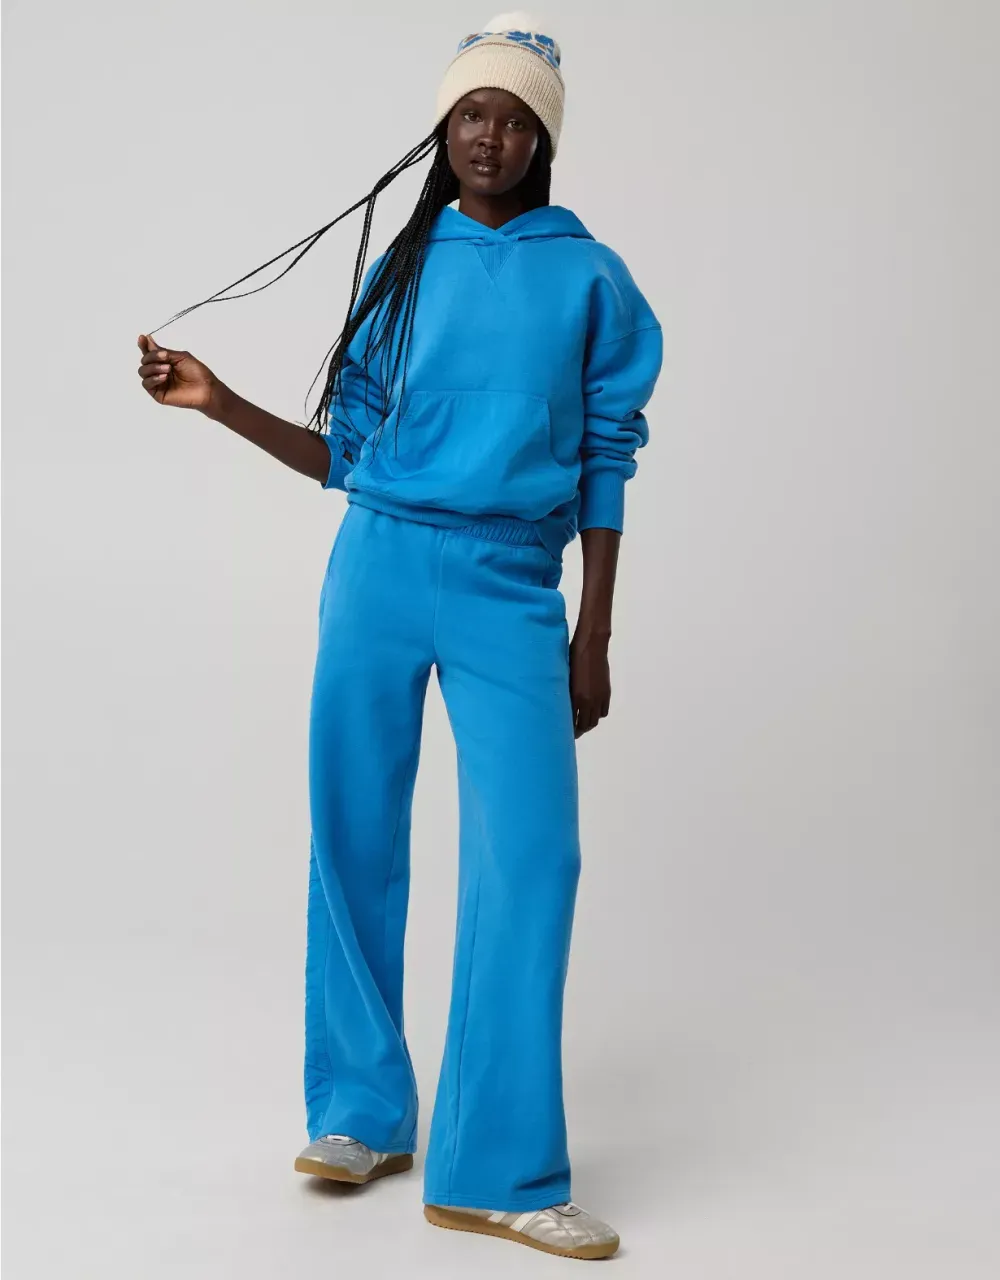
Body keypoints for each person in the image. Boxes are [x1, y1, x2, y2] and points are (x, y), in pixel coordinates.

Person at [136, 11, 662, 1262]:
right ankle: (361, 1111)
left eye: (514, 120)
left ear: (542, 141)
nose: (490, 136)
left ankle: (499, 1168)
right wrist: (218, 402)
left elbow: (607, 454)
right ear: (444, 126)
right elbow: (350, 457)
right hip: (376, 565)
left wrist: (593, 630)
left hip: (509, 583)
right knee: (353, 827)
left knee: (531, 857)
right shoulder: (405, 267)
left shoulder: (591, 277)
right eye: (472, 112)